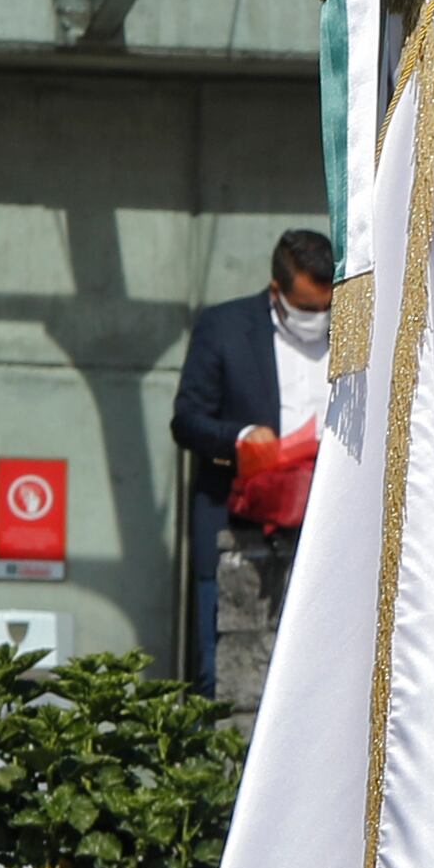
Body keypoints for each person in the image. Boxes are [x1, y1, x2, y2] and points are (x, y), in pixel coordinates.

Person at [168, 227, 335, 687]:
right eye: (306, 308)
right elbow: (187, 420)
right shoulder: (225, 327)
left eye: (326, 307)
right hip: (239, 528)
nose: (318, 318)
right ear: (276, 291)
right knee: (225, 675)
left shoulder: (355, 330)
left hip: (325, 528)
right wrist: (242, 438)